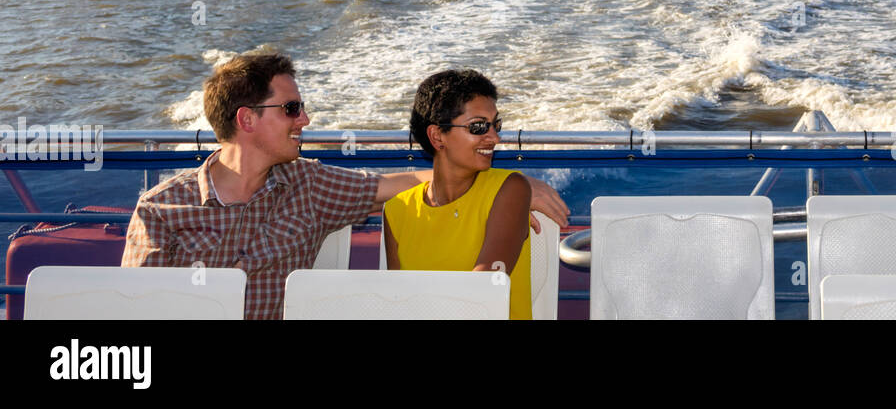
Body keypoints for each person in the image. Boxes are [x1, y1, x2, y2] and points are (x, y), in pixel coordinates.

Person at [122, 51, 567, 320]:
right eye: (292, 109)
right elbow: (135, 313)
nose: (305, 120)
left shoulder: (310, 185)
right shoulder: (160, 210)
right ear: (247, 119)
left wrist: (503, 180)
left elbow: (400, 183)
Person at [384, 69, 532, 319]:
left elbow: (485, 289)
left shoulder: (510, 189)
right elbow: (400, 303)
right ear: (437, 136)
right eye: (478, 127)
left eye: (496, 124)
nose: (494, 137)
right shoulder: (397, 210)